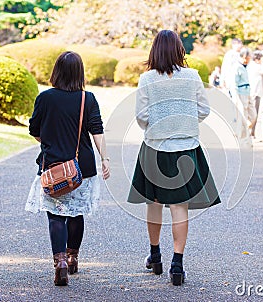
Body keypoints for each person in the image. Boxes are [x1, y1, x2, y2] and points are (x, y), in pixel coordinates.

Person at [127, 30, 221, 286]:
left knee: (154, 204)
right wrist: (185, 121)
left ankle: (155, 255)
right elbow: (204, 110)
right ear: (180, 49)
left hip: (155, 149)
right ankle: (177, 264)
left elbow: (141, 117)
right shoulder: (192, 77)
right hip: (186, 149)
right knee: (180, 208)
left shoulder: (147, 79)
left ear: (154, 51)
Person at [25, 51, 110, 286]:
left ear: (56, 72)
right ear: (79, 73)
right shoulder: (88, 99)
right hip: (81, 168)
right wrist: (105, 159)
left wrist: (52, 142)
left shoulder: (45, 98)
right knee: (76, 213)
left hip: (52, 167)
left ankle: (59, 261)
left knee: (55, 215)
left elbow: (35, 130)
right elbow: (97, 130)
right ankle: (72, 257)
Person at [233, 47, 255, 138]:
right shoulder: (237, 67)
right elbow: (234, 83)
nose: (246, 60)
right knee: (242, 115)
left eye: (248, 58)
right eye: (245, 58)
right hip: (240, 93)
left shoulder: (247, 67)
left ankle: (242, 132)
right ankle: (240, 135)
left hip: (248, 92)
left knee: (253, 115)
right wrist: (237, 96)